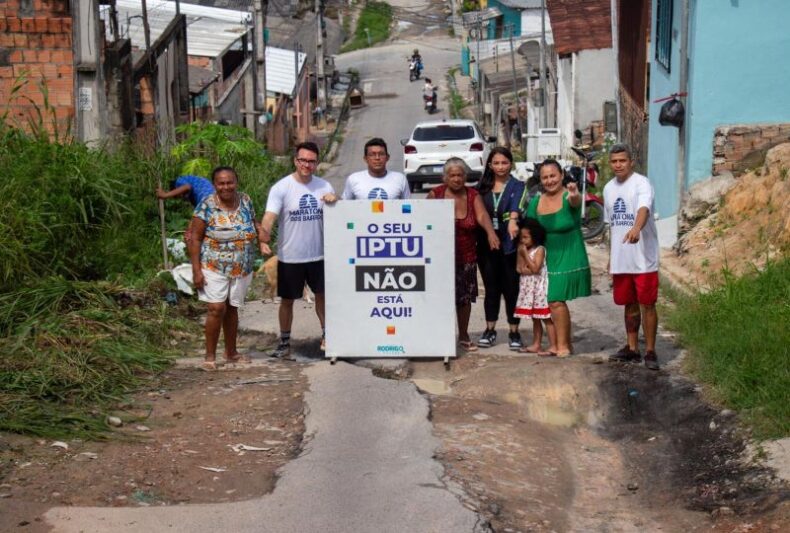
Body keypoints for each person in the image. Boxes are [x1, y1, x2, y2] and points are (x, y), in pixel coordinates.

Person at [260, 142, 337, 358]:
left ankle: (328, 336)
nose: (307, 165)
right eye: (303, 160)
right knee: (287, 300)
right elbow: (269, 216)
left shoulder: (325, 186)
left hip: (319, 255)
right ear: (295, 161)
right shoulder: (281, 188)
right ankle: (284, 343)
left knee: (322, 296)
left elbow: (340, 212)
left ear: (317, 163)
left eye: (311, 161)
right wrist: (264, 233)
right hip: (290, 256)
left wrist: (336, 199)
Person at [189, 167, 261, 370]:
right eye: (221, 183)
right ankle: (209, 357)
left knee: (232, 308)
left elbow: (252, 220)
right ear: (215, 185)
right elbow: (194, 238)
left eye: (230, 182)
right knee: (216, 308)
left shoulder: (245, 200)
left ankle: (231, 353)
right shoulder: (207, 205)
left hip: (241, 265)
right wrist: (196, 270)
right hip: (213, 264)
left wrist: (260, 232)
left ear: (236, 183)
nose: (226, 186)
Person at [427, 158, 499, 352]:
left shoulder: (473, 194)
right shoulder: (436, 194)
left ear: (465, 176)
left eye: (460, 175)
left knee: (464, 298)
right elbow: (424, 221)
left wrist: (491, 233)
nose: (457, 179)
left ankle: (464, 334)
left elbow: (482, 216)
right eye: (452, 175)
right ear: (445, 177)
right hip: (440, 259)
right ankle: (440, 335)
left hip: (466, 256)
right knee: (440, 297)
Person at [524, 159, 591, 357]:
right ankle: (559, 344)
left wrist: (574, 194)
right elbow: (529, 228)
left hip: (569, 251)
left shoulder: (569, 196)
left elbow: (575, 201)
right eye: (545, 177)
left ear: (561, 175)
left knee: (554, 300)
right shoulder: (536, 200)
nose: (549, 180)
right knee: (549, 300)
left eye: (553, 175)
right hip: (546, 254)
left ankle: (563, 346)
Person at [604, 144, 660, 370]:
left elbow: (643, 209)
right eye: (614, 161)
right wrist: (611, 256)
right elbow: (612, 227)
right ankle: (632, 347)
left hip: (644, 258)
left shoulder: (641, 183)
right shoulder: (608, 188)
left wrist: (637, 229)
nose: (618, 165)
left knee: (647, 303)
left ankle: (650, 351)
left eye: (622, 160)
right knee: (629, 302)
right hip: (622, 259)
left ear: (631, 162)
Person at [474, 147, 525, 350]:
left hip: (510, 245)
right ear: (489, 165)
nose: (500, 167)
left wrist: (513, 221)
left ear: (510, 164)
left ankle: (514, 332)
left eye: (504, 162)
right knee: (491, 289)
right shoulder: (481, 188)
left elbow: (516, 206)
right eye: (496, 163)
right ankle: (490, 330)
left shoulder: (517, 185)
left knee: (512, 290)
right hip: (486, 247)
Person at [514, 217, 557, 356]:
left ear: (535, 236)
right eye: (521, 237)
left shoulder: (539, 250)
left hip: (539, 289)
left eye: (526, 237)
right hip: (528, 289)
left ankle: (553, 345)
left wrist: (526, 255)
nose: (523, 241)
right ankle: (536, 344)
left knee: (546, 317)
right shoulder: (521, 249)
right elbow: (519, 269)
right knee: (535, 318)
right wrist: (526, 263)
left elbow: (535, 268)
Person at [342, 138, 410, 200]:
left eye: (381, 154)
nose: (377, 158)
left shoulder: (400, 179)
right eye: (372, 154)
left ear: (387, 157)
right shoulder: (353, 179)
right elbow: (343, 207)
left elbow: (408, 208)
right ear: (365, 159)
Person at [157, 174, 215, 242]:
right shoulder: (195, 189)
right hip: (213, 199)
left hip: (206, 198)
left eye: (179, 195)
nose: (182, 198)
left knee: (191, 231)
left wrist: (165, 195)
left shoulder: (180, 180)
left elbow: (187, 187)